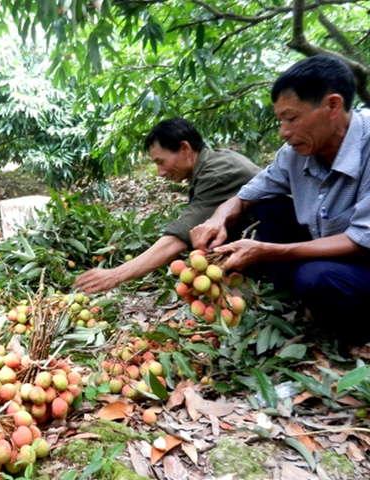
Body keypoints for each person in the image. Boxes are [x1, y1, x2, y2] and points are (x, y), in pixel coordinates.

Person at [190, 54, 370, 347]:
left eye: (292, 118)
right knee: (269, 208)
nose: (283, 132)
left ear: (333, 106)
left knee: (316, 277)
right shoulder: (295, 153)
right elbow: (245, 195)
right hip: (333, 249)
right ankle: (300, 304)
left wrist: (268, 251)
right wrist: (217, 220)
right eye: (280, 121)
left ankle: (355, 333)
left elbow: (362, 241)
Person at [74, 118, 261, 293]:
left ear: (185, 149)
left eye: (161, 162)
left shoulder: (217, 174)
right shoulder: (215, 160)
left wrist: (115, 276)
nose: (160, 172)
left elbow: (178, 238)